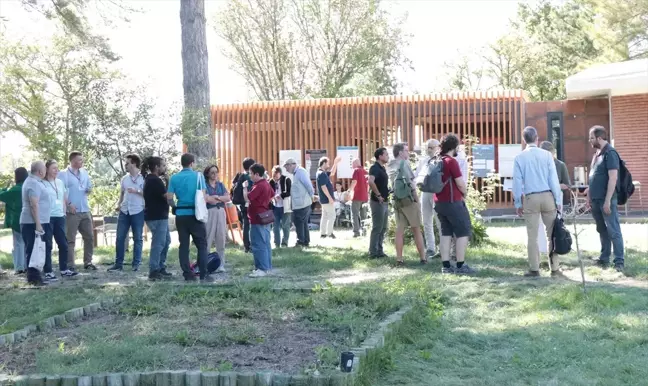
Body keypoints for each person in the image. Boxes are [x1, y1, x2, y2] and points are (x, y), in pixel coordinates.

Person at [513, 126, 563, 277]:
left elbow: (516, 183)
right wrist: (558, 199)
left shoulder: (519, 158)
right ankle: (554, 267)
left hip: (530, 198)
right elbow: (553, 180)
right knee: (552, 233)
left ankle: (534, 268)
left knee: (532, 235)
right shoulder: (547, 156)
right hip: (548, 196)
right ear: (537, 138)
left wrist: (518, 203)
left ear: (524, 140)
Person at [167, 153, 214, 282]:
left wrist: (175, 207)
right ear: (192, 163)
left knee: (184, 246)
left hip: (181, 216)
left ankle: (187, 274)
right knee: (202, 245)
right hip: (195, 215)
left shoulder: (174, 178)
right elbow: (203, 197)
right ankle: (203, 273)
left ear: (182, 163)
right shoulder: (198, 177)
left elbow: (169, 198)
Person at [434, 134, 476, 274]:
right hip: (453, 202)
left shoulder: (436, 160)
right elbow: (460, 182)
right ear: (455, 147)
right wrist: (465, 193)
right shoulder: (451, 161)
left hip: (439, 202)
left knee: (446, 233)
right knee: (463, 232)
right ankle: (460, 265)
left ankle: (446, 266)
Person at [585, 125, 625, 271]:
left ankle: (619, 261)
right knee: (602, 229)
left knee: (613, 230)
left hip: (606, 200)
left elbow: (613, 178)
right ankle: (604, 258)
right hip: (595, 200)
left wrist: (607, 200)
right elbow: (594, 177)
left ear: (599, 138)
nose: (589, 140)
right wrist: (589, 194)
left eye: (591, 137)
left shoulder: (610, 153)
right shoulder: (597, 154)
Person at [387, 143, 426, 266]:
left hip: (397, 200)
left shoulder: (390, 165)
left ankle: (399, 259)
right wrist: (417, 199)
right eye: (406, 150)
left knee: (399, 230)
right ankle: (423, 258)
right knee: (416, 229)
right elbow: (411, 183)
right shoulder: (404, 164)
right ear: (400, 152)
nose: (408, 153)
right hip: (408, 200)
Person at [58, 151, 95, 271]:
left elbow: (89, 186)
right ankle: (70, 264)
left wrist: (89, 189)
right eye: (80, 160)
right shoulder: (63, 174)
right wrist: (68, 204)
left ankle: (88, 262)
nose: (82, 162)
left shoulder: (84, 172)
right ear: (73, 161)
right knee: (70, 239)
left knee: (89, 237)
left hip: (85, 209)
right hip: (72, 211)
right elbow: (60, 192)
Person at [108, 154, 146, 272]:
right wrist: (118, 204)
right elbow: (122, 193)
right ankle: (118, 264)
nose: (125, 165)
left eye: (127, 163)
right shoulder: (124, 179)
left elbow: (148, 194)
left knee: (138, 238)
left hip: (138, 210)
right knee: (120, 238)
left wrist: (137, 191)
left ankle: (136, 264)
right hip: (124, 211)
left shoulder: (143, 178)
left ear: (134, 163)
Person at [44, 160, 77, 278]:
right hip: (47, 217)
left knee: (63, 244)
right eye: (53, 168)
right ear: (47, 169)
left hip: (60, 216)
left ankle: (64, 269)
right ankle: (48, 270)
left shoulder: (60, 182)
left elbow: (64, 197)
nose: (56, 170)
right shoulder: (42, 183)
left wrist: (65, 210)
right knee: (48, 244)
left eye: (57, 168)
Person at [20, 161, 51, 285]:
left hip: (36, 221)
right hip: (32, 222)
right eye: (44, 169)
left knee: (36, 249)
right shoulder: (33, 183)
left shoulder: (36, 182)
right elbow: (34, 204)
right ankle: (34, 278)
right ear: (40, 171)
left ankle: (36, 276)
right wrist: (38, 224)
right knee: (33, 249)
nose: (46, 171)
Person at [142, 156, 172, 281]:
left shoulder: (151, 179)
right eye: (163, 165)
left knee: (166, 241)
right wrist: (171, 185)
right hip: (157, 216)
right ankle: (154, 270)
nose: (164, 168)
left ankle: (160, 266)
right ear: (156, 167)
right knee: (158, 244)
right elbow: (167, 196)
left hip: (158, 216)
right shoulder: (155, 180)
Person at [243, 163, 274, 277]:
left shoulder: (258, 185)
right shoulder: (266, 183)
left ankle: (261, 268)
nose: (250, 176)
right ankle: (267, 267)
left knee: (257, 244)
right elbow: (272, 195)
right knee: (266, 243)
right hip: (265, 217)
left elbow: (248, 198)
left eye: (251, 173)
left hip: (257, 218)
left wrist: (245, 187)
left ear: (257, 174)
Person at [415, 139, 441, 259]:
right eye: (428, 147)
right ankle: (430, 248)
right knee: (426, 221)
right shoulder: (423, 160)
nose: (429, 150)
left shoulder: (441, 160)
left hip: (437, 193)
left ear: (438, 147)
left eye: (432, 147)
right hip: (425, 192)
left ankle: (442, 248)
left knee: (440, 221)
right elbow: (416, 176)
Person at [0, 167, 28, 275]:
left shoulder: (15, 189)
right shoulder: (28, 187)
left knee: (18, 244)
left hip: (16, 220)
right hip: (29, 220)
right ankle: (27, 266)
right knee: (27, 244)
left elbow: (1, 195)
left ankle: (19, 267)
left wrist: (4, 188)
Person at [283, 158, 314, 247]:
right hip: (301, 202)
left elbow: (308, 185)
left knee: (299, 222)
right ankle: (305, 241)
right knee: (303, 223)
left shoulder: (300, 172)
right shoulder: (297, 173)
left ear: (291, 165)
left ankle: (300, 241)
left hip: (302, 203)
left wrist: (312, 195)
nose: (287, 170)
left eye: (287, 167)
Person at [204, 164, 230, 271]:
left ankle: (221, 264)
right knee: (208, 238)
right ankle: (204, 264)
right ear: (208, 174)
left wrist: (218, 197)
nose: (215, 175)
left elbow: (228, 197)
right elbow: (207, 199)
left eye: (216, 172)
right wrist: (217, 199)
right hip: (210, 212)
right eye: (212, 172)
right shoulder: (205, 185)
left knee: (221, 238)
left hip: (221, 212)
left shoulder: (220, 185)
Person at [368, 147, 390, 259]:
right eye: (386, 154)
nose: (388, 156)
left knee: (383, 227)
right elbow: (370, 181)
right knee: (377, 227)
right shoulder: (374, 168)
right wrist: (378, 195)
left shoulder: (382, 168)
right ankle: (373, 252)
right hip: (378, 202)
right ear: (380, 156)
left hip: (385, 201)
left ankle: (380, 251)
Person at [232, 158, 256, 253]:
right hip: (250, 202)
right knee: (253, 224)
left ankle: (247, 246)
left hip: (242, 204)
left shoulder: (240, 175)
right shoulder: (250, 177)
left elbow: (234, 184)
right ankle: (252, 245)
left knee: (246, 225)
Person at [316, 156, 341, 239]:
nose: (329, 165)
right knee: (332, 215)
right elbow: (324, 187)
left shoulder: (321, 173)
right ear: (323, 163)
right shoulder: (322, 174)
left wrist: (335, 163)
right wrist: (330, 198)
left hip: (323, 199)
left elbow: (332, 173)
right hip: (326, 199)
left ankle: (323, 234)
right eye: (328, 163)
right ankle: (330, 233)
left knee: (325, 216)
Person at [269, 165, 292, 248]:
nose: (274, 177)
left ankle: (284, 243)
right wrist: (272, 197)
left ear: (280, 173)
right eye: (273, 175)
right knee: (275, 226)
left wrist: (280, 195)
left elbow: (289, 192)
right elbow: (269, 193)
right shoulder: (270, 182)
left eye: (276, 175)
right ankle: (277, 243)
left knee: (285, 225)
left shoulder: (286, 180)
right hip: (275, 207)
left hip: (285, 206)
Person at [347, 159, 369, 237]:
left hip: (356, 196)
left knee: (355, 214)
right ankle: (364, 232)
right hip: (365, 197)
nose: (352, 166)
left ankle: (356, 232)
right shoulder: (366, 171)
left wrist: (350, 191)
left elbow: (354, 182)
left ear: (356, 163)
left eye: (352, 164)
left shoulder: (356, 170)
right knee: (364, 215)